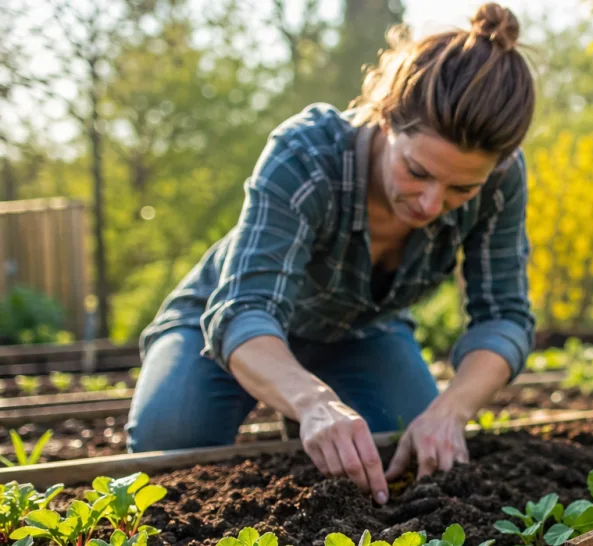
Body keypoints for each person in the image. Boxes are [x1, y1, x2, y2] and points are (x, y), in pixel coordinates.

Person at [125, 3, 537, 506]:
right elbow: (244, 310)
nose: (432, 204)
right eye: (417, 171)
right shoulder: (307, 155)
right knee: (171, 441)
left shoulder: (501, 181)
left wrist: (450, 410)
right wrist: (314, 402)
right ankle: (278, 397)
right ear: (386, 116)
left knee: (406, 447)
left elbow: (505, 316)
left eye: (460, 189)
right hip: (226, 326)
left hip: (359, 330)